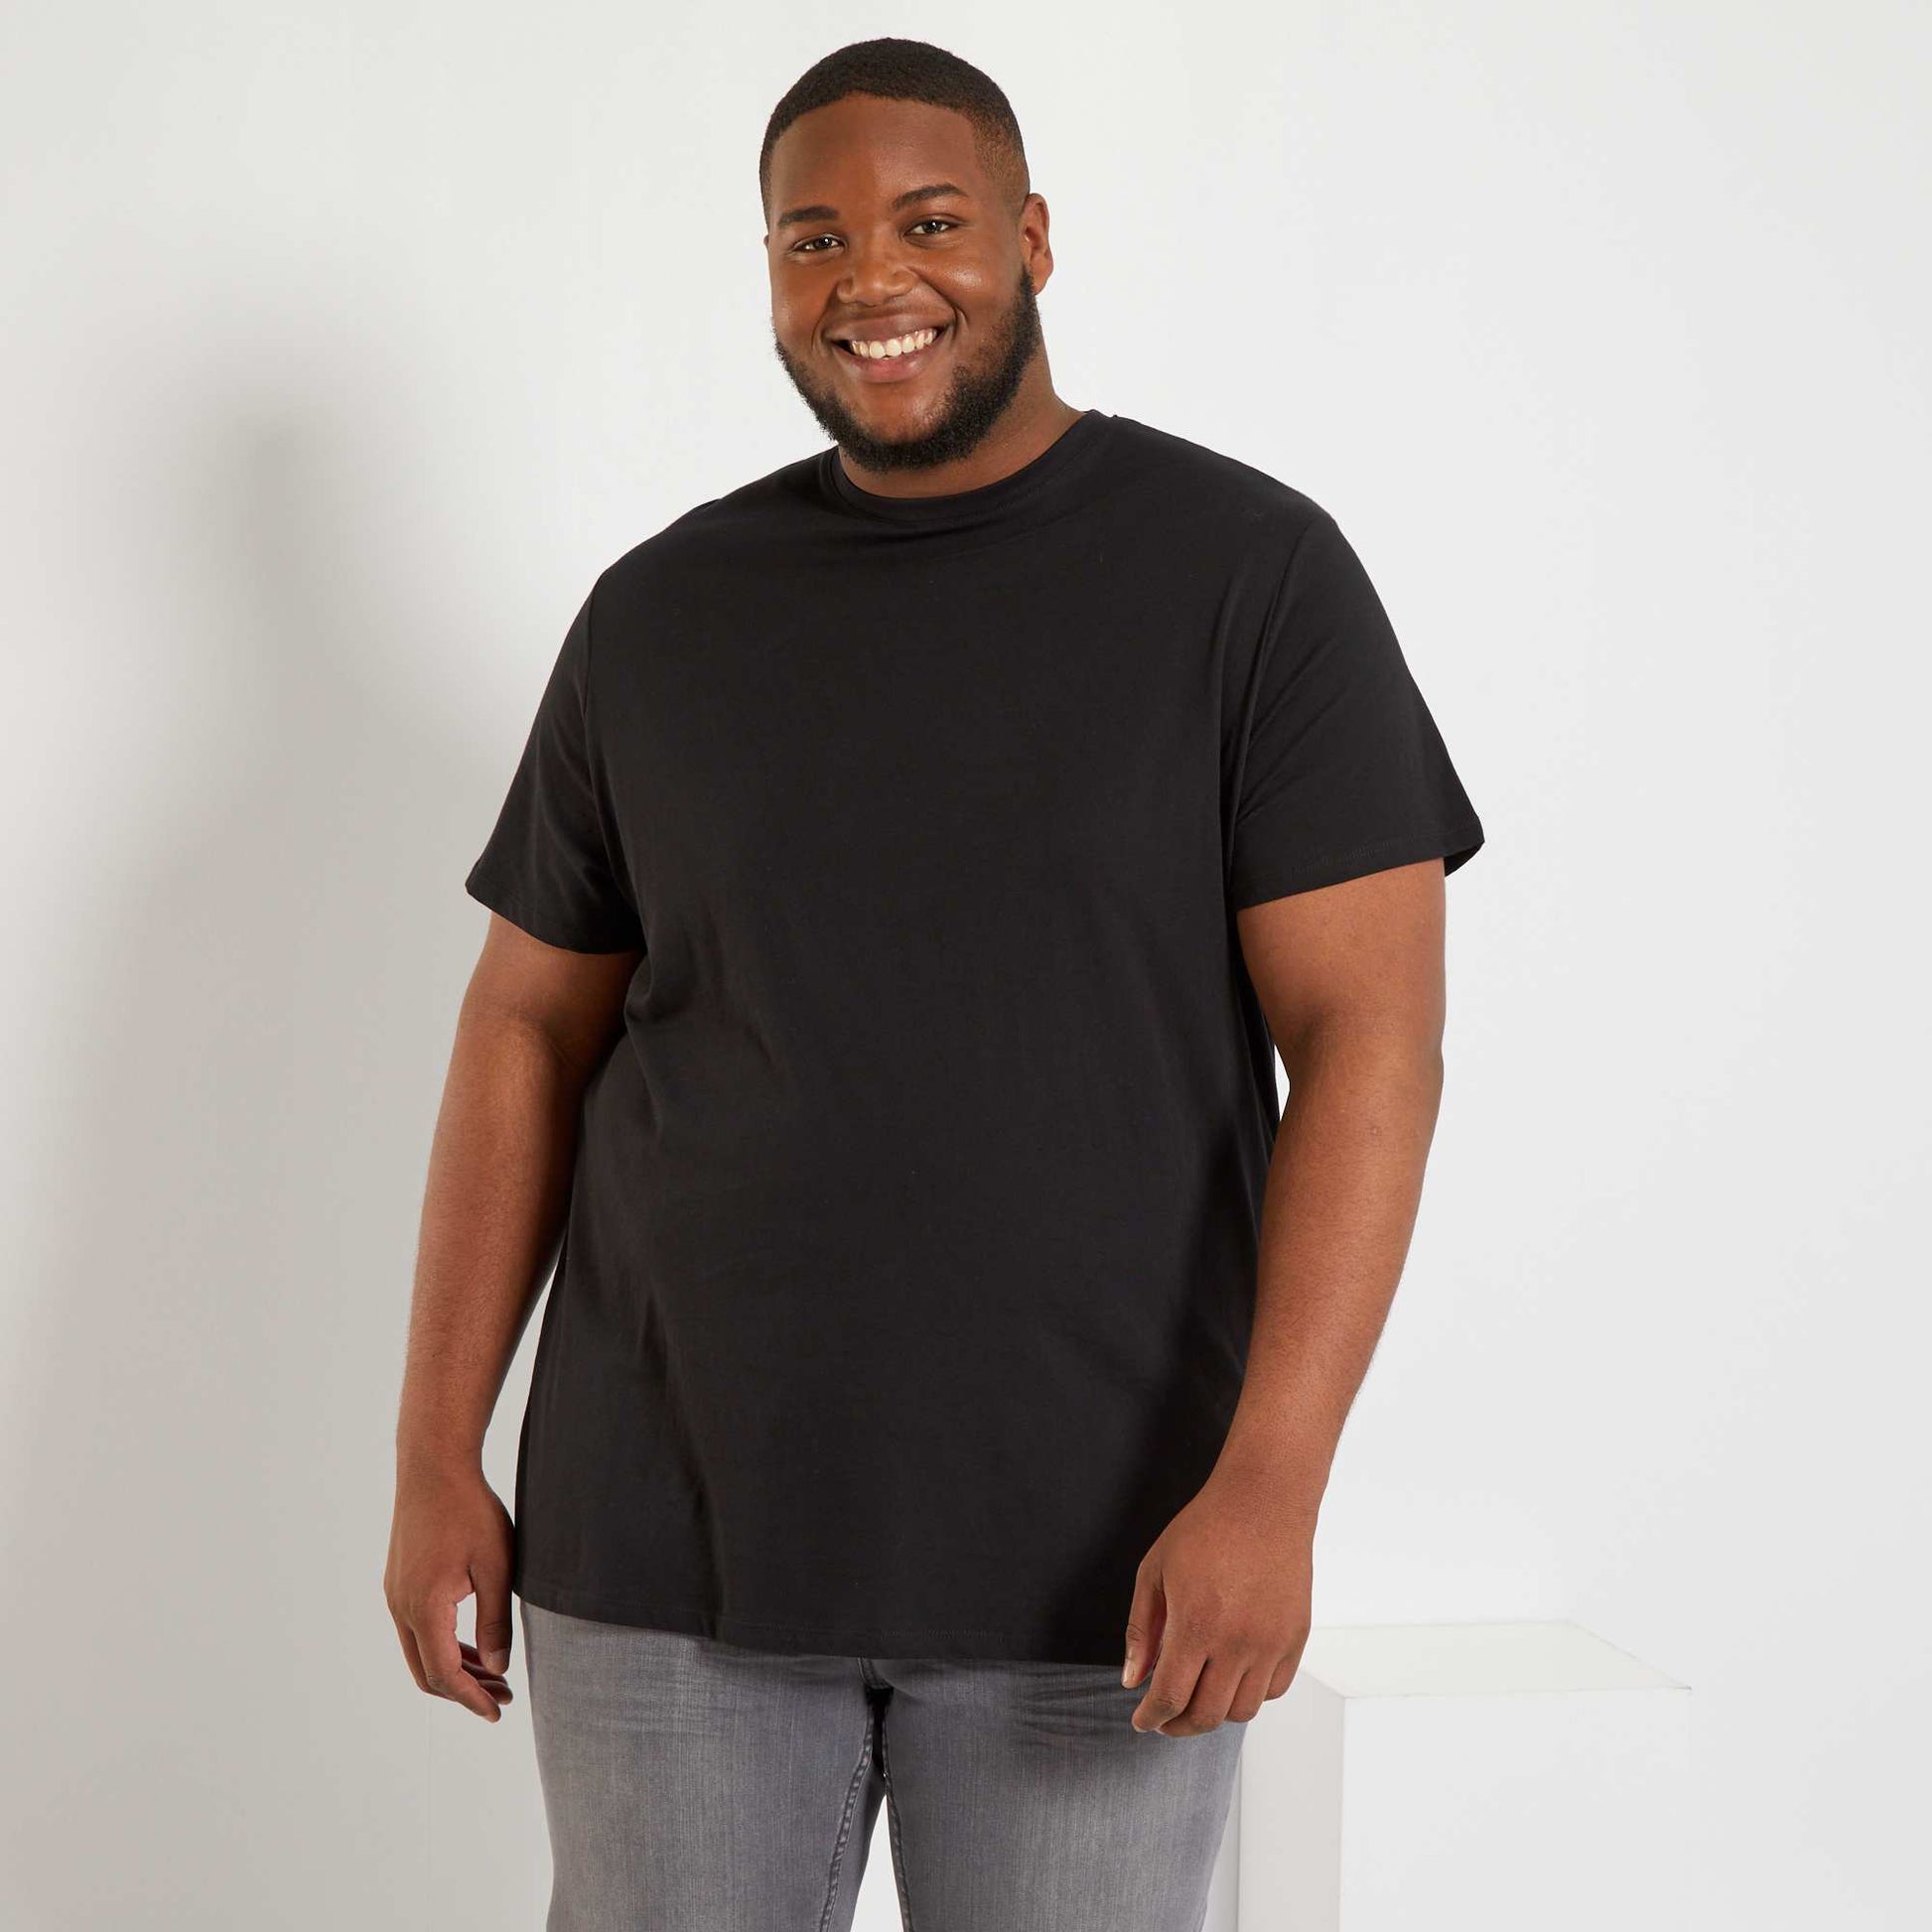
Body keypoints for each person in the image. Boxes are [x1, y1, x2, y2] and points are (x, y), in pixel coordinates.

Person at [384, 35, 1485, 1932]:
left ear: (1030, 238)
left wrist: (1273, 1481)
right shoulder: (661, 614)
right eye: (810, 239)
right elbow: (523, 1024)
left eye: (927, 222)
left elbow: (1368, 1039)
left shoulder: (1250, 579)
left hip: (1104, 1559)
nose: (868, 279)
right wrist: (432, 1450)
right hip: (666, 1552)